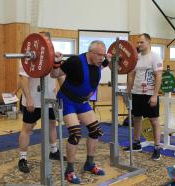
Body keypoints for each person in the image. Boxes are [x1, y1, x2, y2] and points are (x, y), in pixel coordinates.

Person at [51, 40, 112, 184]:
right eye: (99, 55)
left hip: (82, 103)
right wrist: (56, 62)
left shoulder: (99, 63)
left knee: (95, 131)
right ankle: (70, 170)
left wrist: (109, 59)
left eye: (104, 55)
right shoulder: (75, 62)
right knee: (75, 134)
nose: (102, 58)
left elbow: (102, 66)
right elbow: (54, 74)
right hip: (67, 101)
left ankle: (89, 163)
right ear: (90, 53)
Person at [17, 32, 65, 174]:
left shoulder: (53, 58)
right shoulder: (28, 56)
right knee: (27, 128)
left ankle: (53, 151)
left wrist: (66, 94)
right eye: (44, 42)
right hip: (33, 100)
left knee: (51, 125)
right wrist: (29, 98)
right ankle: (22, 158)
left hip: (50, 99)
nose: (46, 45)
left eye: (48, 43)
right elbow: (23, 78)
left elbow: (61, 76)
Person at [125, 33, 163, 161]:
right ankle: (136, 144)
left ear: (149, 42)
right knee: (136, 118)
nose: (139, 45)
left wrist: (155, 95)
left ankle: (157, 147)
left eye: (141, 42)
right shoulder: (136, 58)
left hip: (149, 94)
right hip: (136, 92)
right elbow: (131, 76)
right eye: (138, 42)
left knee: (154, 121)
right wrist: (128, 92)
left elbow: (158, 76)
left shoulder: (155, 57)